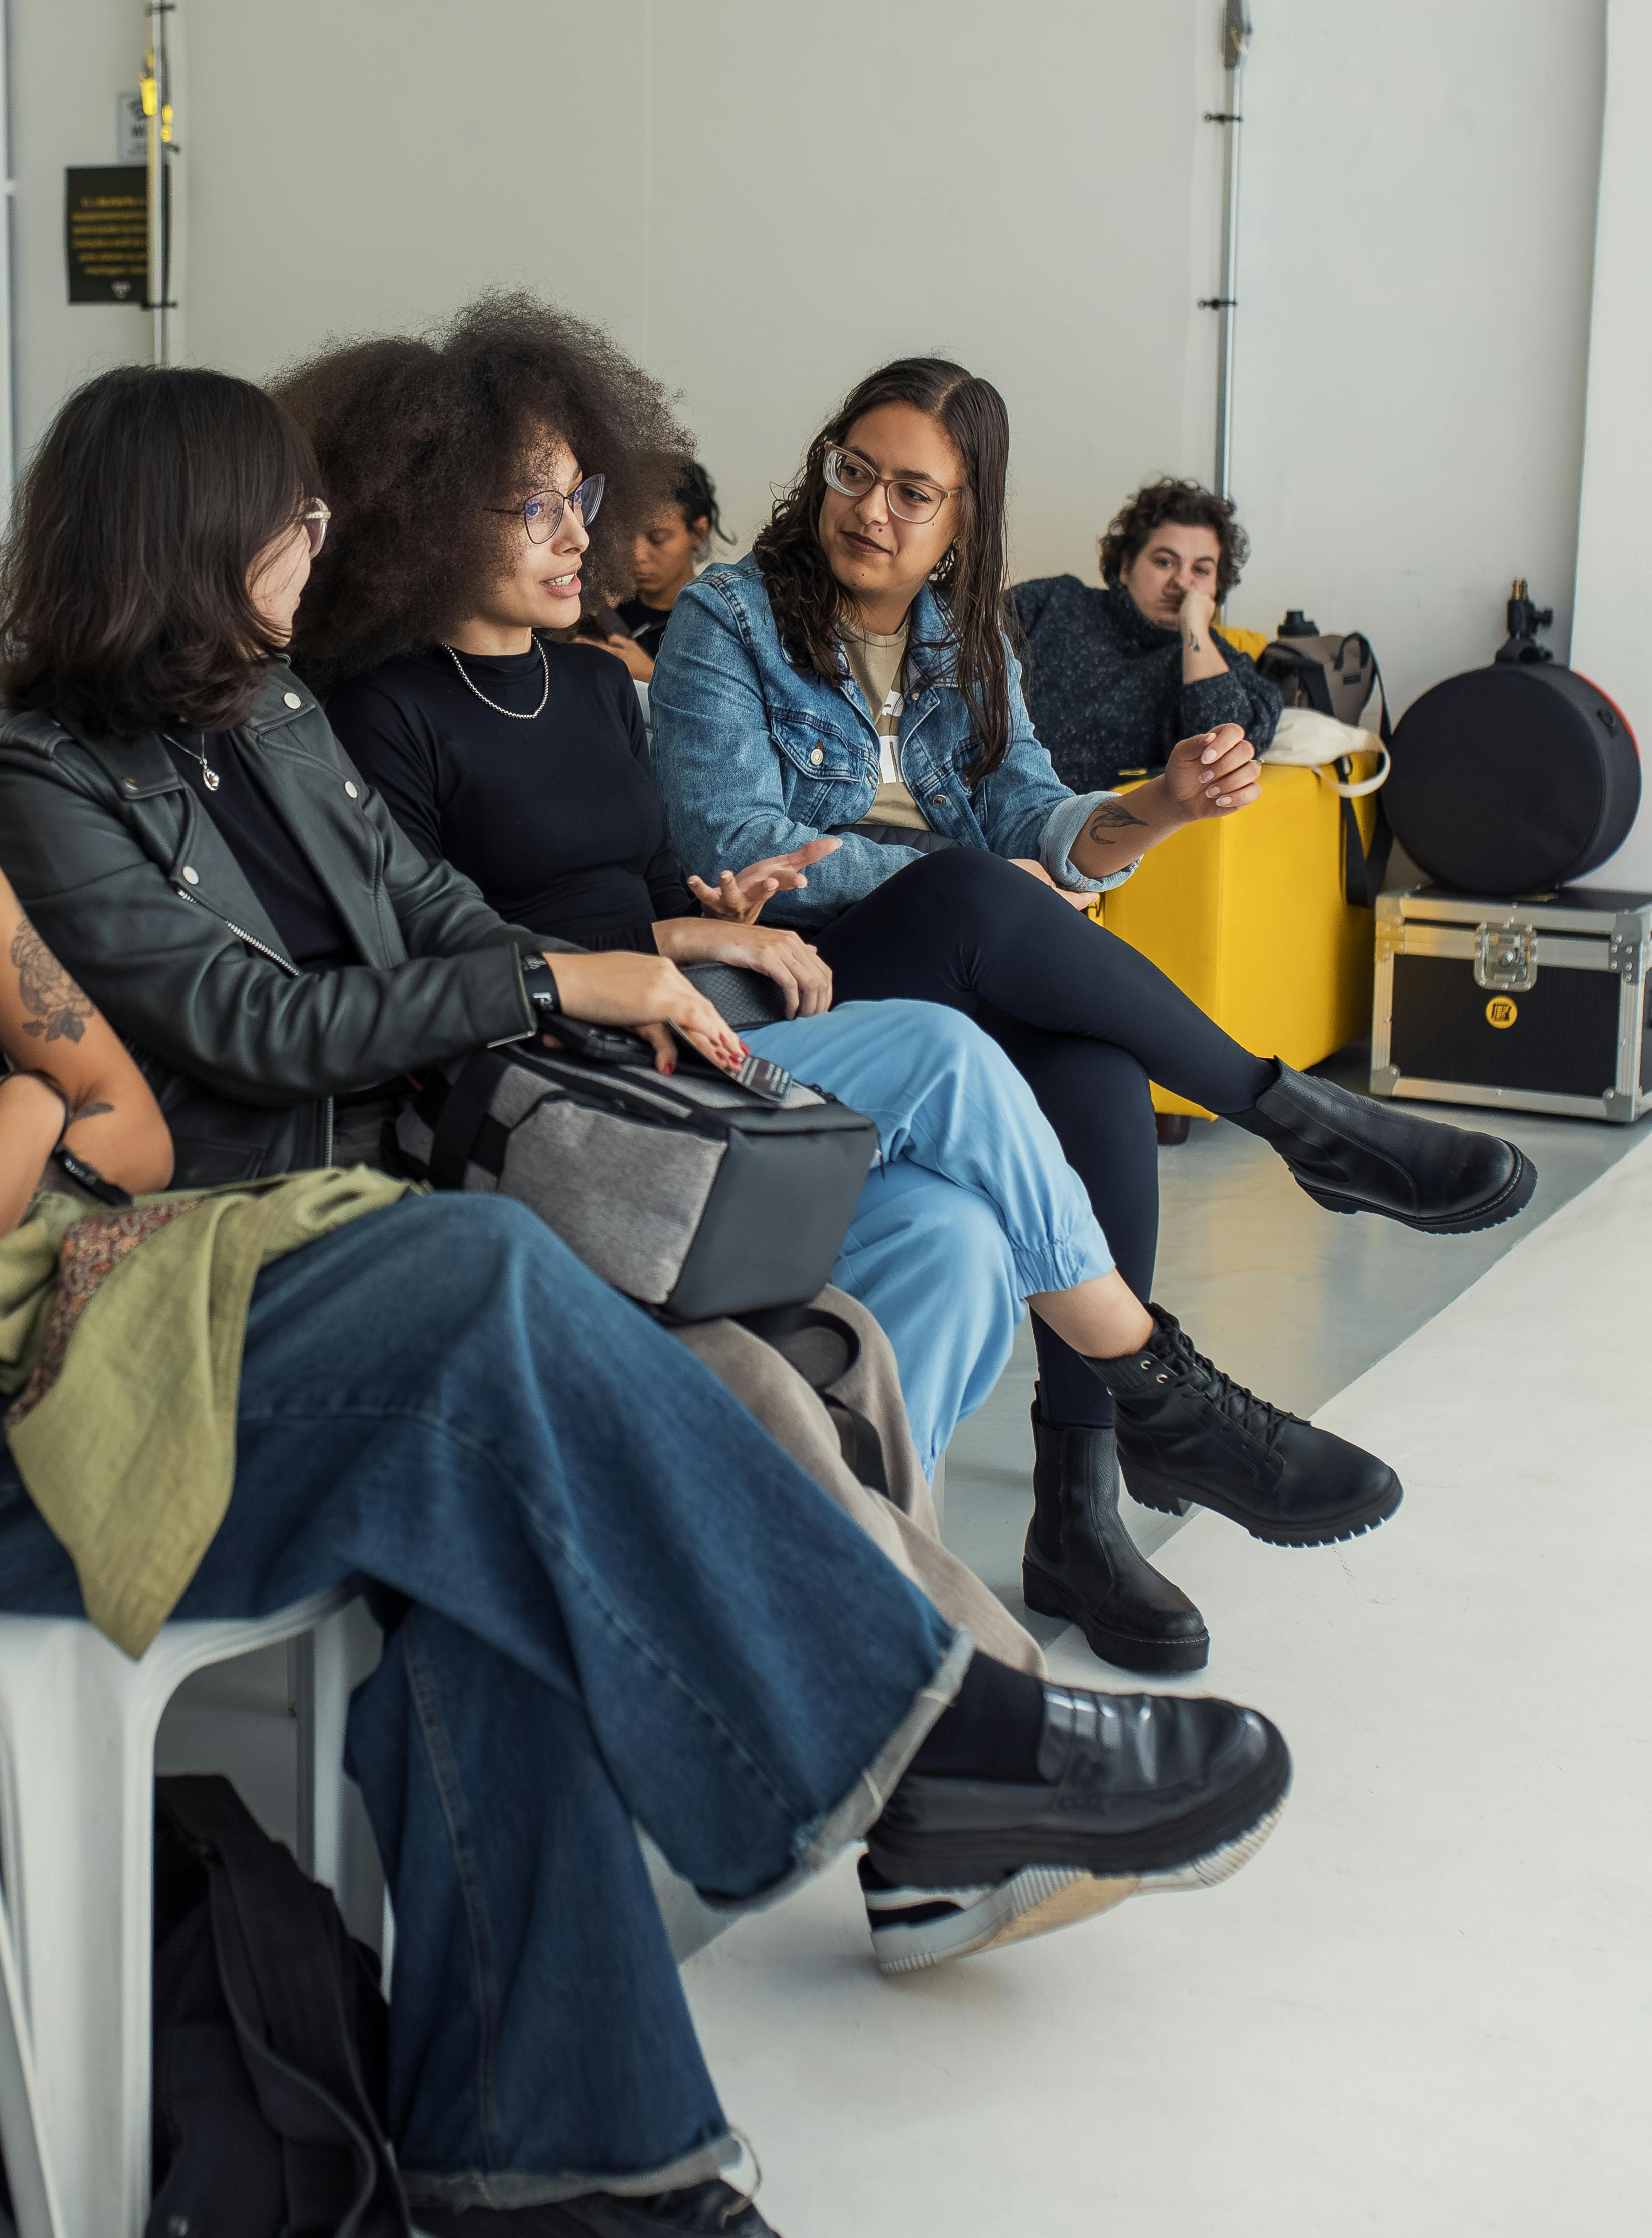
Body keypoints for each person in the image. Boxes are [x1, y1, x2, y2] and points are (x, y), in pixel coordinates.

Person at [0, 402, 1291, 2238]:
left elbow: (110, 1121)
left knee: (475, 1482)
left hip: (97, 1310)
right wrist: (15, 1124)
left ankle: (561, 2121)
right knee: (468, 1279)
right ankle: (933, 1737)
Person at [286, 304, 1405, 1672]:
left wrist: (712, 920)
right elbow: (428, 951)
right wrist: (684, 942)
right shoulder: (391, 710)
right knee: (949, 1031)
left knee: (965, 1231)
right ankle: (1158, 1379)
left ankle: (879, 1584)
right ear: (432, 517)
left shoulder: (585, 688)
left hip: (707, 1019)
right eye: (539, 507)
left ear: (959, 523)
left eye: (581, 495)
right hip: (563, 1076)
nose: (582, 532)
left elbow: (661, 872)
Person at [647, 356, 1538, 1661]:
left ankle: (1077, 1512)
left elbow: (1038, 821)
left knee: (1095, 1071)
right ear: (820, 465)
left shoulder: (967, 639)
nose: (872, 510)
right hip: (798, 981)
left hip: (959, 959)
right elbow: (730, 835)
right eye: (854, 471)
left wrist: (1154, 810)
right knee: (967, 891)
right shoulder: (725, 618)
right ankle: (1296, 1122)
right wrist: (971, 880)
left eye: (913, 492)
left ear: (963, 519)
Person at [1008, 478, 1283, 793]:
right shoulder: (1052, 602)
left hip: (1091, 830)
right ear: (1126, 567)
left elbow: (1218, 754)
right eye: (1165, 562)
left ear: (1217, 586)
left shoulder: (1220, 661)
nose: (1181, 583)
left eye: (1202, 570)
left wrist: (1194, 628)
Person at [587, 456, 724, 684]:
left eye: (658, 538)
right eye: (627, 536)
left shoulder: (721, 623)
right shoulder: (604, 617)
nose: (637, 555)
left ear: (699, 533)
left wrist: (652, 676)